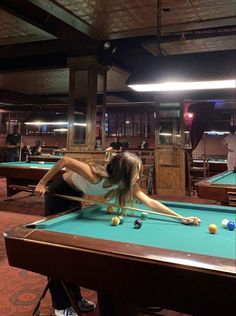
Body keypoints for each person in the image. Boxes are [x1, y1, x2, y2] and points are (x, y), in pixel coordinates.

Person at [35, 152, 201, 316]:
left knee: (70, 250)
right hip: (58, 195)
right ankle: (61, 305)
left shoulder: (125, 183)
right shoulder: (95, 176)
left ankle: (76, 298)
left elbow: (150, 202)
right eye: (137, 171)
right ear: (125, 171)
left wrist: (181, 218)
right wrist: (43, 183)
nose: (139, 175)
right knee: (59, 250)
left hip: (75, 196)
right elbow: (65, 160)